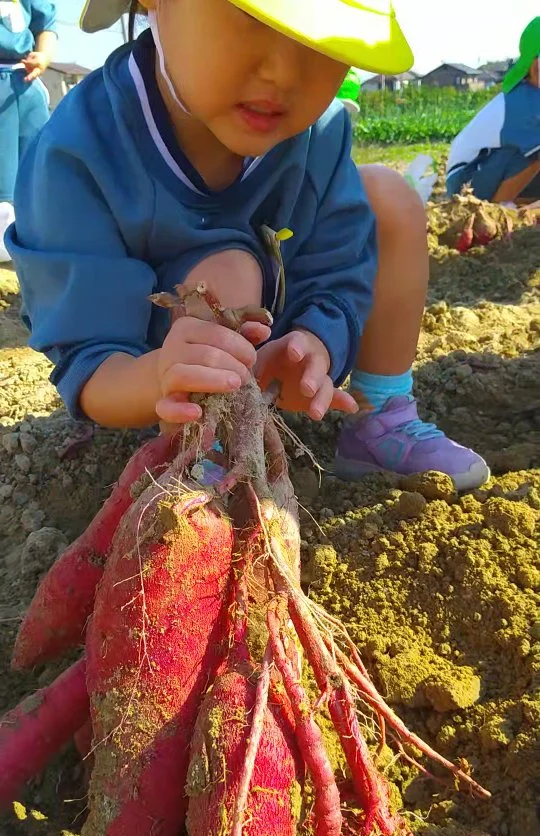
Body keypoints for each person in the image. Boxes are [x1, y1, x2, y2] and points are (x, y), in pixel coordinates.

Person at [6, 0, 489, 492]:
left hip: (271, 332)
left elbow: (341, 267)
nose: (283, 72)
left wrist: (317, 341)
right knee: (225, 274)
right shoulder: (79, 151)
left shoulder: (319, 131)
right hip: (161, 367)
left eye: (320, 41)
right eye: (254, 21)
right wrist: (156, 378)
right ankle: (206, 454)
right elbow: (89, 356)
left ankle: (381, 415)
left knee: (390, 198)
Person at [446, 16, 540, 204]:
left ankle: (519, 205)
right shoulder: (523, 101)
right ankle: (496, 209)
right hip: (465, 181)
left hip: (490, 171)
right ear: (532, 63)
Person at [0, 0, 56, 262]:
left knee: (37, 166)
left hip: (26, 79)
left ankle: (34, 241)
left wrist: (43, 55)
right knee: (3, 171)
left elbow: (45, 25)